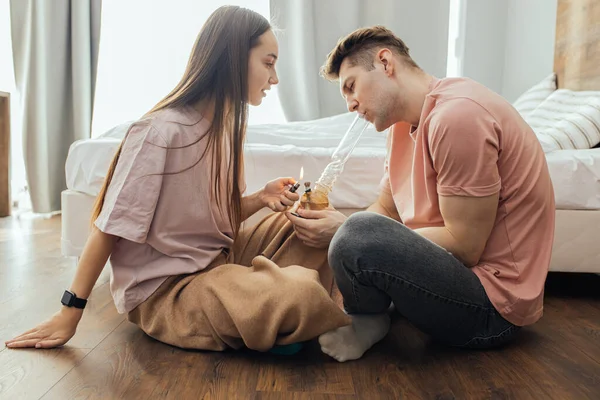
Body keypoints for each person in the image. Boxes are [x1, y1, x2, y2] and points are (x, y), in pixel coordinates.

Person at [5, 6, 351, 352]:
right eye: (268, 62)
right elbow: (108, 229)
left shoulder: (226, 129)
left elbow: (214, 221)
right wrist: (70, 312)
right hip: (171, 290)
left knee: (312, 225)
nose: (275, 78)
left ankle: (282, 311)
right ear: (232, 58)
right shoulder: (159, 133)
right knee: (300, 294)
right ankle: (302, 306)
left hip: (218, 259)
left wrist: (261, 198)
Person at [286, 26, 555, 362]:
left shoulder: (458, 116)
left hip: (491, 309)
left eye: (351, 86)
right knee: (357, 229)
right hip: (452, 278)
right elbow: (386, 208)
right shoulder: (401, 126)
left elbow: (466, 245)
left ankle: (367, 321)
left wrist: (346, 231)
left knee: (356, 231)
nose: (351, 104)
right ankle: (369, 314)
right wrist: (342, 229)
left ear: (385, 63)